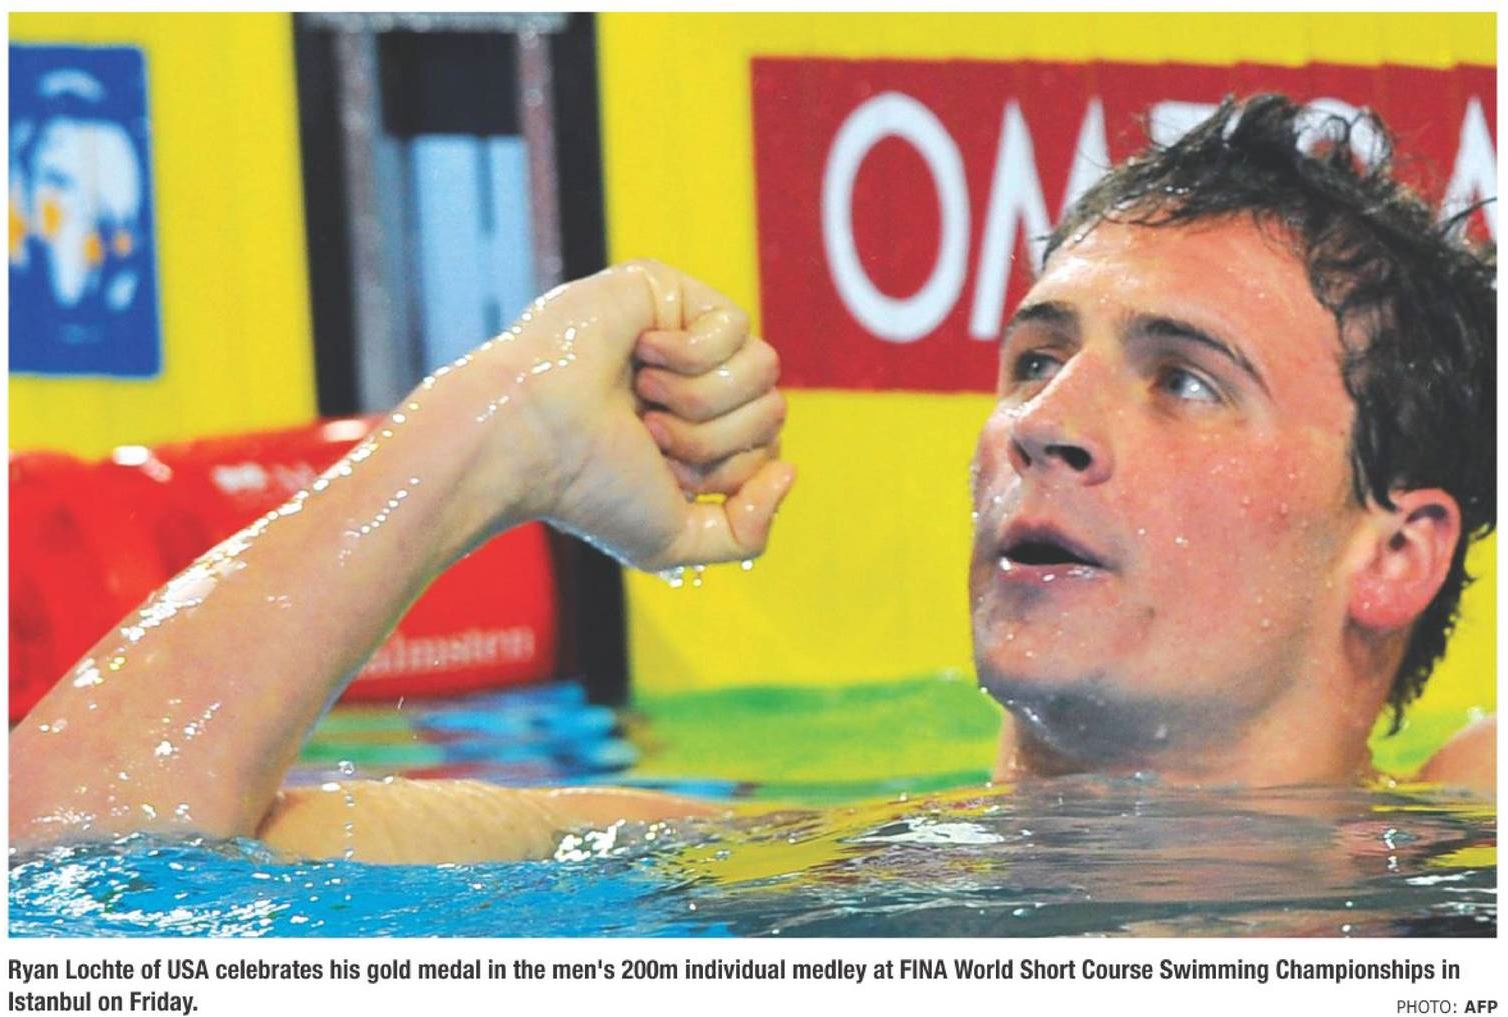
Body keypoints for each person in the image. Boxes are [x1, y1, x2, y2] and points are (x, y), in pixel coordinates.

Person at [9, 95, 1494, 865]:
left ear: (1397, 553)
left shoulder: (1461, 859)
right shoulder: (773, 887)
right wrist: (489, 432)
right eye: (1036, 359)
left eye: (1183, 379)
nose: (1045, 424)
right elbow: (67, 870)